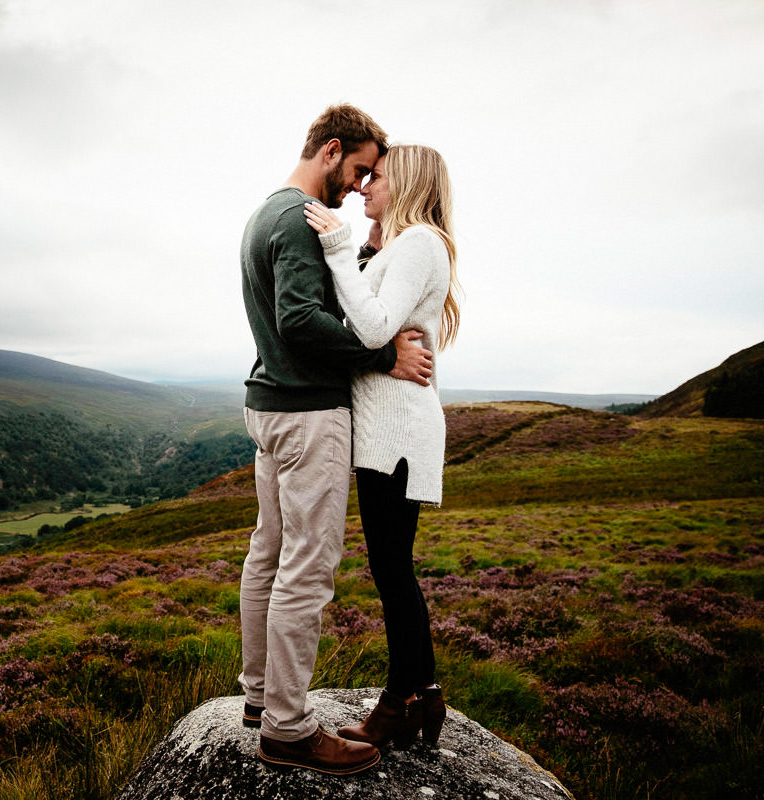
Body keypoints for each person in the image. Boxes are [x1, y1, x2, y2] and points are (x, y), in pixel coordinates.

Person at [239, 105, 434, 775]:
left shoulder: (265, 213)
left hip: (267, 407)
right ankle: (288, 729)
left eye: (368, 177)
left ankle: (260, 699)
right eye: (356, 169)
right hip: (306, 413)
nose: (358, 185)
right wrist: (382, 359)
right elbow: (300, 320)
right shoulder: (297, 220)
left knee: (267, 554)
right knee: (306, 569)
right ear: (329, 151)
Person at [302, 142, 461, 751]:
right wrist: (361, 253)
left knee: (393, 572)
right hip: (386, 432)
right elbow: (369, 328)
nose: (365, 186)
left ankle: (401, 703)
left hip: (395, 436)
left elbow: (370, 327)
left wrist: (341, 249)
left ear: (410, 183)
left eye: (378, 178)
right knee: (393, 569)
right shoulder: (402, 246)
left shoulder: (420, 243)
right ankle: (420, 695)